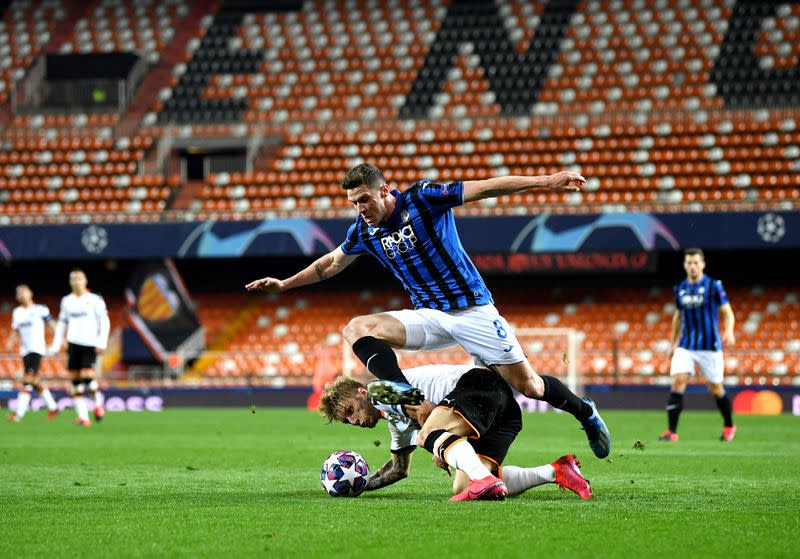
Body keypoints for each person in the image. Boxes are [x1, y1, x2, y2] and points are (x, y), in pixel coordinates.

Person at [247, 163, 610, 459]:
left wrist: (547, 181)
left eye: (364, 200)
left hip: (472, 310)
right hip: (429, 316)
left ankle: (585, 412)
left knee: (529, 386)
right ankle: (406, 397)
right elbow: (330, 264)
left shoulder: (422, 198)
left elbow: (484, 187)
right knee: (357, 328)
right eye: (353, 203)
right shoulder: (364, 231)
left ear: (385, 190)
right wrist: (285, 283)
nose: (360, 209)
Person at [319, 364, 593, 502]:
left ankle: (483, 477)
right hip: (504, 412)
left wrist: (438, 444)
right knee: (462, 485)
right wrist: (359, 484)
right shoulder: (395, 421)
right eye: (347, 421)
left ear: (361, 392)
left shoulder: (381, 388)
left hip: (478, 384)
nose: (354, 421)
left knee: (428, 436)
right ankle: (556, 470)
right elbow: (399, 469)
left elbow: (423, 409)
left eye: (351, 411)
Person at [659, 249, 736, 442]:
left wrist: (729, 330)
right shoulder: (680, 288)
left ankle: (729, 425)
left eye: (696, 262)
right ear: (685, 265)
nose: (692, 266)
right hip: (686, 346)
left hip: (710, 347)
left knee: (716, 389)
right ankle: (672, 431)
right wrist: (672, 343)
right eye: (689, 263)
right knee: (677, 382)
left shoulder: (713, 286)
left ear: (703, 264)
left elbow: (727, 311)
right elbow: (678, 317)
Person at [48, 269, 110, 427]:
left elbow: (104, 321)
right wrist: (56, 345)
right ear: (70, 282)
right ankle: (83, 417)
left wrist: (102, 342)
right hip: (73, 343)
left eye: (79, 278)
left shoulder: (95, 299)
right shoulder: (66, 301)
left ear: (85, 281)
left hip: (90, 343)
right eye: (73, 279)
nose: (76, 281)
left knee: (87, 377)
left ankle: (98, 404)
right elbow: (62, 323)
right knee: (75, 382)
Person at [5, 285, 60, 422]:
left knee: (27, 380)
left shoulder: (40, 309)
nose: (21, 294)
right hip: (24, 350)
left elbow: (52, 324)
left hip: (37, 348)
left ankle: (19, 414)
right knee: (34, 380)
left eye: (23, 291)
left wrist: (60, 339)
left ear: (30, 293)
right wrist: (11, 342)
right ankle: (53, 407)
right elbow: (16, 330)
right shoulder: (17, 312)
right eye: (18, 293)